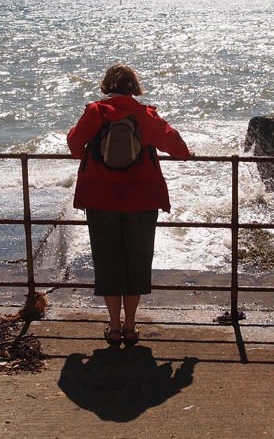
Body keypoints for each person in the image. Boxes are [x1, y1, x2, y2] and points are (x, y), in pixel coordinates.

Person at [67, 64, 193, 347]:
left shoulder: (95, 112)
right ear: (134, 87)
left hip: (99, 198)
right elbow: (172, 141)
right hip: (142, 199)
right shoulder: (145, 114)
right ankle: (130, 325)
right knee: (136, 259)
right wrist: (187, 154)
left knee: (108, 260)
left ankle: (113, 327)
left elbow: (75, 146)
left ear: (106, 86)